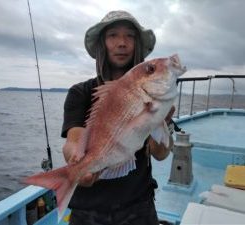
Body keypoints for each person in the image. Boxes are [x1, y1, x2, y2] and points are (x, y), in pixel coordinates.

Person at [61, 10, 174, 225]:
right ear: (102, 44)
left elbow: (161, 154)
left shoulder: (154, 95)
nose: (122, 43)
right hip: (88, 211)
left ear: (137, 44)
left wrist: (162, 122)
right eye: (113, 35)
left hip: (138, 207)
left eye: (130, 36)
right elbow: (74, 140)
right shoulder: (80, 92)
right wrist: (76, 162)